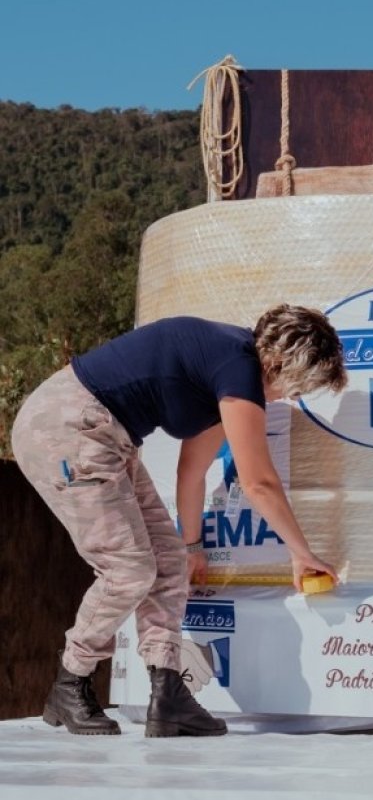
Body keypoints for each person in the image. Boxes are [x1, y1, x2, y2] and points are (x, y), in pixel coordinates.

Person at [11, 305, 348, 737]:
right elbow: (259, 482)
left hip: (106, 436)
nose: (292, 398)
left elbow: (191, 470)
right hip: (66, 427)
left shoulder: (224, 369)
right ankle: (69, 681)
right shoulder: (237, 365)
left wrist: (191, 547)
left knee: (168, 560)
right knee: (127, 569)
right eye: (300, 387)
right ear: (282, 365)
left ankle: (168, 694)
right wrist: (302, 556)